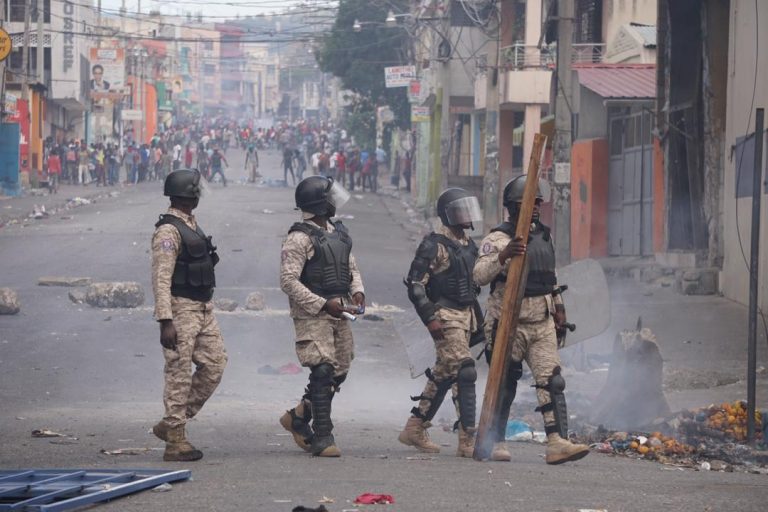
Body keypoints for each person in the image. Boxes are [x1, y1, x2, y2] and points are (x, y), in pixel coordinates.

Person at [472, 176, 590, 464]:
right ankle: (496, 440)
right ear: (514, 206)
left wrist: (559, 307)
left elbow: (552, 277)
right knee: (504, 384)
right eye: (530, 202)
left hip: (541, 322)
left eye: (538, 202)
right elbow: (478, 275)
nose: (536, 207)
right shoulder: (497, 238)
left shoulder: (544, 236)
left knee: (553, 381)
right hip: (507, 323)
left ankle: (557, 442)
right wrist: (504, 255)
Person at [279, 176, 365, 457]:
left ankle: (300, 415)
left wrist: (357, 291)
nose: (334, 202)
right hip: (312, 314)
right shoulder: (298, 238)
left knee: (339, 371)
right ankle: (323, 437)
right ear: (319, 203)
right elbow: (288, 281)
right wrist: (321, 303)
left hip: (340, 310)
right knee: (323, 368)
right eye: (329, 198)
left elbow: (350, 266)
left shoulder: (338, 233)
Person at [399, 188, 483, 457]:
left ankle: (415, 426)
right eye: (460, 210)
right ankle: (468, 438)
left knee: (446, 374)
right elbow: (415, 286)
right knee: (466, 370)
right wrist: (430, 319)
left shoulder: (471, 245)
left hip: (467, 317)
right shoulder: (433, 245)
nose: (466, 214)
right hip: (445, 316)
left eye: (468, 209)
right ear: (448, 214)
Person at [151, 169, 228, 461]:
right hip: (181, 308)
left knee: (215, 364)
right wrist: (165, 320)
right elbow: (161, 277)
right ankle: (175, 441)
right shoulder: (168, 231)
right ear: (188, 195)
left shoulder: (190, 224)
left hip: (203, 308)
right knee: (179, 373)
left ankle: (173, 421)